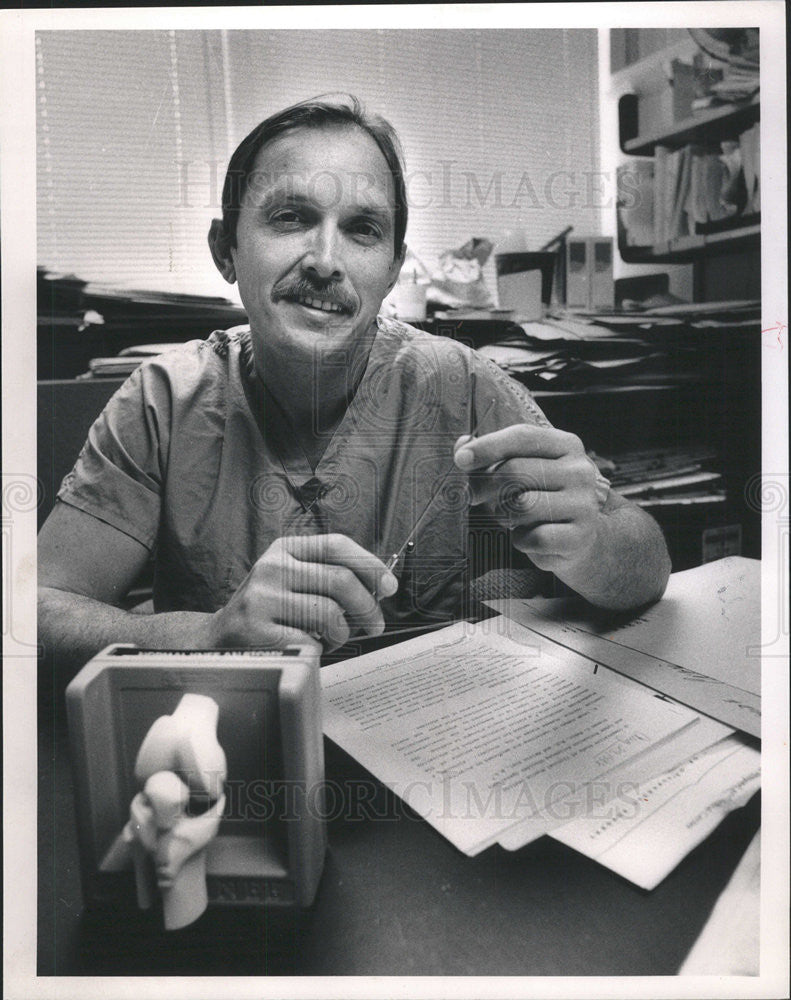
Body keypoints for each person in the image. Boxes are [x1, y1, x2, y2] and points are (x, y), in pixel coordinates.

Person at [38, 94, 671, 673]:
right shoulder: (162, 403)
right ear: (225, 248)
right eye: (290, 217)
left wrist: (593, 546)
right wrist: (208, 635)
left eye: (363, 229)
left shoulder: (462, 386)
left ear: (394, 267)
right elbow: (32, 614)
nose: (324, 260)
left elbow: (647, 568)